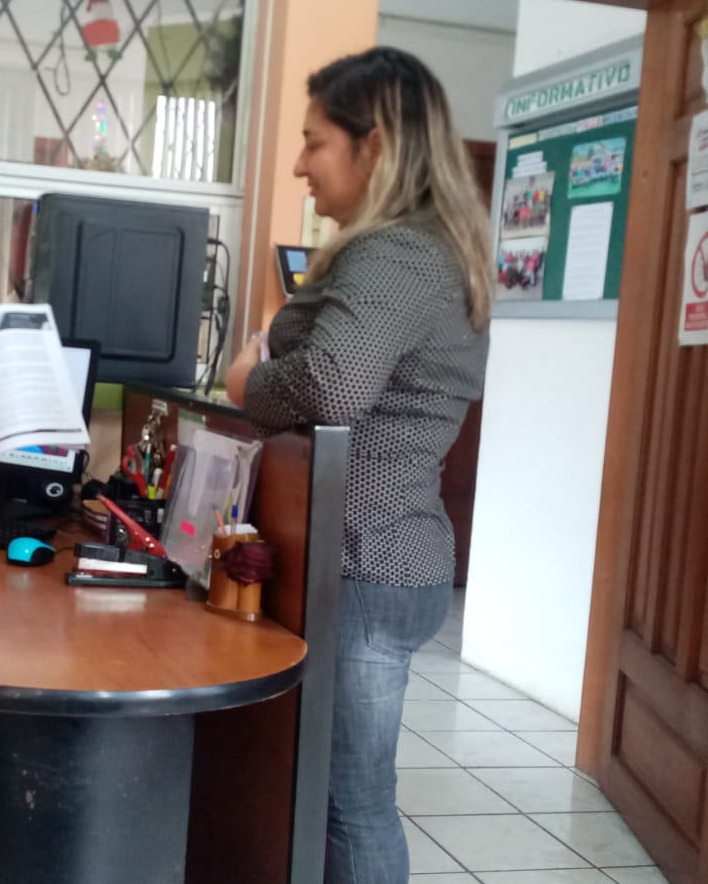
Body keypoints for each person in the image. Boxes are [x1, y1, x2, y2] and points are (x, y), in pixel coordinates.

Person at [225, 47, 492, 884]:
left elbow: (333, 384)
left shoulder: (398, 254)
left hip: (365, 564)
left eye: (314, 142)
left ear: (372, 145)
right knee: (323, 788)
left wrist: (245, 383)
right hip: (365, 555)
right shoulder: (408, 250)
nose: (299, 165)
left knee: (352, 798)